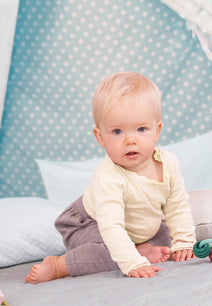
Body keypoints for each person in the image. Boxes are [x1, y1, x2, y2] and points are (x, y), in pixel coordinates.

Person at [25, 71, 196, 283]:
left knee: (165, 237)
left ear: (157, 131)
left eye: (142, 129)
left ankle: (139, 248)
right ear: (100, 137)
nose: (130, 140)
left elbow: (177, 206)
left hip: (135, 227)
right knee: (109, 252)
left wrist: (184, 242)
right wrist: (132, 263)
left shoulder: (168, 163)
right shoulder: (108, 177)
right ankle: (59, 265)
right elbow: (112, 227)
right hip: (90, 224)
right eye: (117, 132)